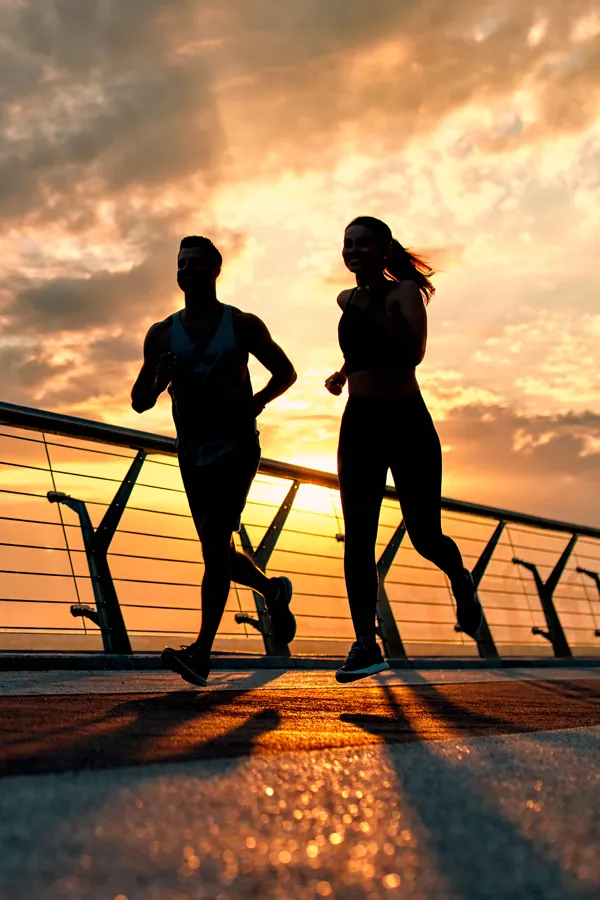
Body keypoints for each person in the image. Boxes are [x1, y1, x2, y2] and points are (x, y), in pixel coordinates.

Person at [131, 235, 297, 686]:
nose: (188, 270)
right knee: (215, 548)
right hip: (193, 454)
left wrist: (257, 402)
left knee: (213, 537)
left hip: (238, 448)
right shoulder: (162, 334)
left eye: (197, 264)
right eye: (182, 264)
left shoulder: (241, 324)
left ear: (215, 271)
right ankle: (271, 589)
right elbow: (139, 401)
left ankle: (202, 652)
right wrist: (160, 379)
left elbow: (286, 372)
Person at [325, 216, 483, 683]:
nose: (352, 251)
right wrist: (344, 372)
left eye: (363, 244)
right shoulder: (349, 301)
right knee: (357, 537)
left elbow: (412, 350)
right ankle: (365, 644)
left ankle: (460, 579)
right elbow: (364, 348)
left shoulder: (404, 293)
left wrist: (363, 307)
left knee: (424, 536)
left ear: (384, 248)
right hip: (359, 424)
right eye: (347, 243)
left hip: (406, 421)